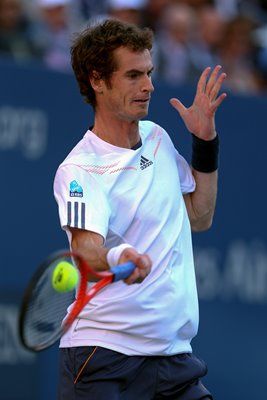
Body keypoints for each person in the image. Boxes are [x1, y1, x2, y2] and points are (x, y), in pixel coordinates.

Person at [53, 18, 227, 400]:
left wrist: (205, 141)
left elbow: (199, 216)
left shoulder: (158, 139)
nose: (148, 86)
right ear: (97, 80)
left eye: (148, 73)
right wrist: (120, 255)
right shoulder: (80, 169)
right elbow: (86, 249)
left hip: (173, 358)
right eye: (133, 75)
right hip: (104, 357)